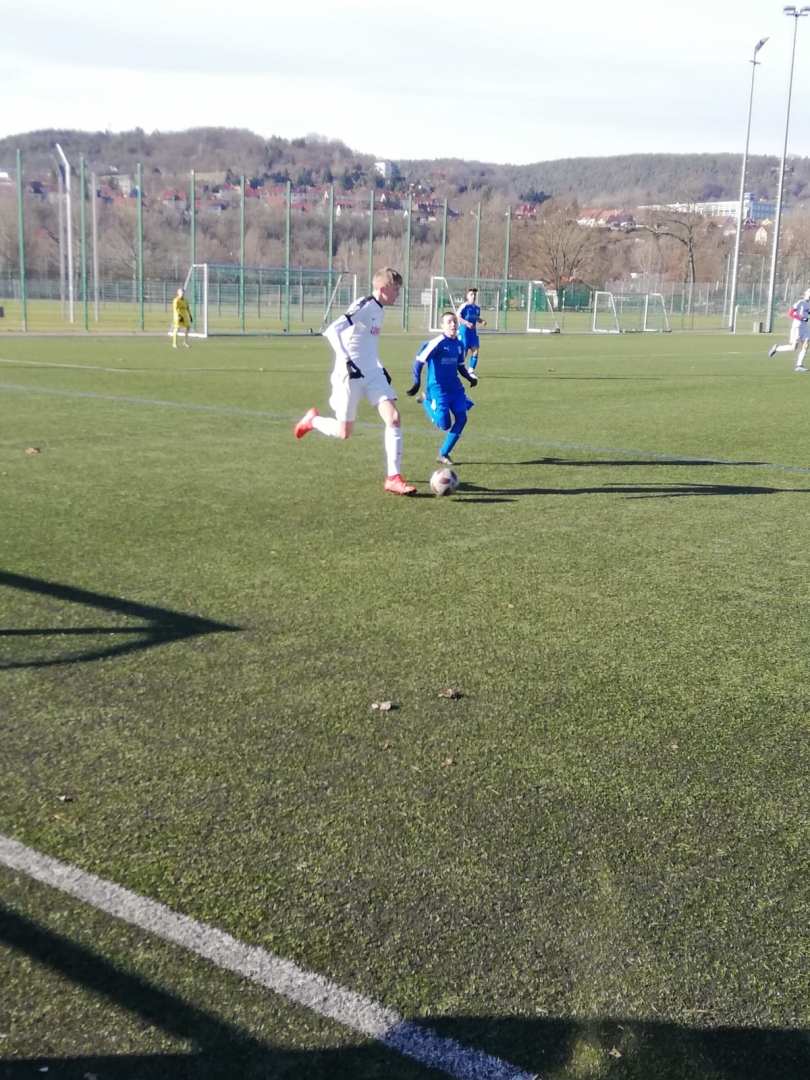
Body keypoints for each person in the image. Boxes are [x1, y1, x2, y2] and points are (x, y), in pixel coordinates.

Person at [294, 268, 416, 495]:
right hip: (350, 374)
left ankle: (393, 477)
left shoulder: (379, 309)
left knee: (393, 418)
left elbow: (366, 345)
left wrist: (380, 367)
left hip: (372, 373)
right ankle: (313, 421)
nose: (398, 293)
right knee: (344, 432)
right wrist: (347, 361)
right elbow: (333, 331)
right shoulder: (365, 305)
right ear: (382, 289)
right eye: (395, 289)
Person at [406, 311, 477, 466]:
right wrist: (417, 383)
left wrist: (469, 378)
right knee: (444, 425)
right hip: (438, 389)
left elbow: (460, 366)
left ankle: (443, 454)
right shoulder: (437, 343)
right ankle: (426, 400)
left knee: (462, 419)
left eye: (455, 322)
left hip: (455, 388)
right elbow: (419, 362)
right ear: (442, 325)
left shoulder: (459, 344)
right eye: (449, 322)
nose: (453, 324)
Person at [768, 288, 810, 371]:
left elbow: (807, 312)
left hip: (805, 326)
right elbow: (790, 313)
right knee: (793, 348)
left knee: (806, 344)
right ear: (806, 293)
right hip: (797, 327)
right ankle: (776, 348)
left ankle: (799, 366)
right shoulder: (800, 302)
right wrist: (801, 318)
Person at [456, 287, 487, 374]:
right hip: (464, 332)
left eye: (474, 294)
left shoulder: (477, 308)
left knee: (475, 351)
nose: (473, 296)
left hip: (473, 333)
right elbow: (458, 317)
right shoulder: (464, 306)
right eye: (471, 294)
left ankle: (471, 371)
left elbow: (477, 318)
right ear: (467, 296)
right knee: (464, 353)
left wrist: (482, 321)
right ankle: (455, 367)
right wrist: (466, 323)